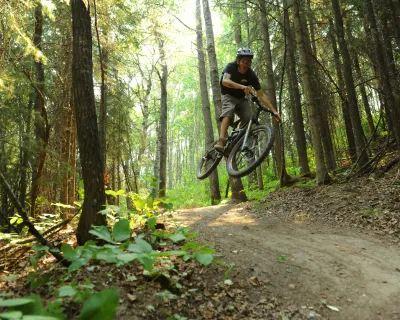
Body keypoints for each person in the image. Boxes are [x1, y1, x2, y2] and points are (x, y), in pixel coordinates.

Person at [215, 47, 281, 153]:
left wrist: (274, 111)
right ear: (238, 61)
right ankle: (221, 141)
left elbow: (262, 95)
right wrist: (242, 87)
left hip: (241, 99)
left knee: (249, 119)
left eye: (248, 62)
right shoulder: (231, 67)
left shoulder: (251, 75)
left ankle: (239, 143)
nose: (246, 64)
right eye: (244, 61)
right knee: (228, 111)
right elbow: (225, 81)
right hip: (228, 95)